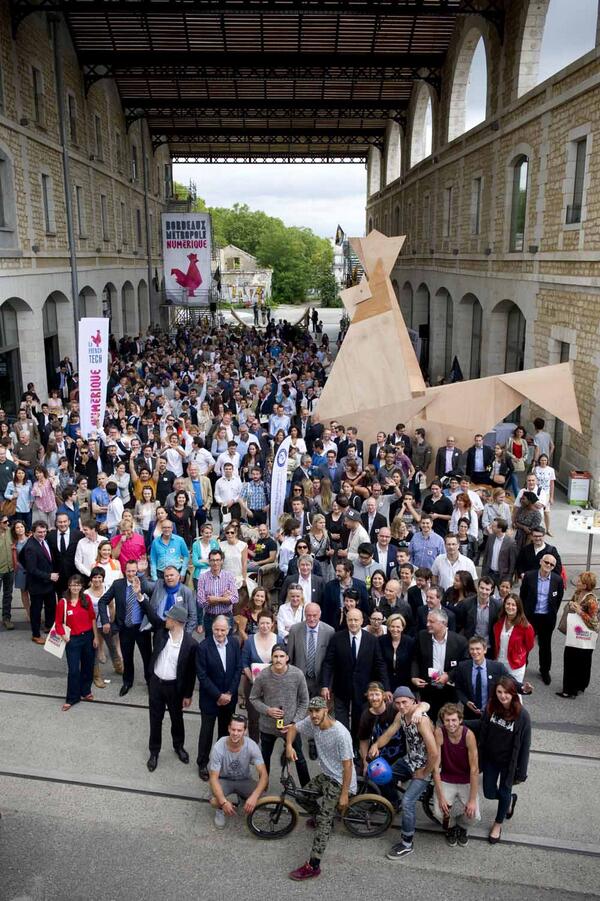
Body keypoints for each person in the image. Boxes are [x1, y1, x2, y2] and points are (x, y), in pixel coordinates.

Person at [285, 696, 357, 882]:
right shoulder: (312, 722)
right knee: (301, 796)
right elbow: (293, 728)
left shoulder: (340, 734)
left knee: (324, 822)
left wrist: (344, 795)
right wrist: (289, 746)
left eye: (317, 711)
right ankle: (323, 818)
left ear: (326, 710)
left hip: (340, 780)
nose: (314, 715)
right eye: (311, 711)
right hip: (326, 775)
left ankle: (313, 866)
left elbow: (348, 767)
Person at [370, 686, 439, 860]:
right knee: (381, 776)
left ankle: (407, 844)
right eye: (398, 703)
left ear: (413, 701)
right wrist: (376, 745)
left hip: (426, 765)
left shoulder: (421, 720)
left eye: (405, 702)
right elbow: (388, 734)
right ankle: (394, 802)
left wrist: (424, 772)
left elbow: (434, 753)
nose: (401, 706)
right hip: (410, 760)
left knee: (408, 801)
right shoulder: (400, 716)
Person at [140, 601, 197, 772]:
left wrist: (188, 695)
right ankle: (154, 752)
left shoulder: (191, 644)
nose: (166, 619)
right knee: (155, 720)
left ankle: (178, 746)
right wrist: (141, 598)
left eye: (169, 617)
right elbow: (152, 616)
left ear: (177, 621)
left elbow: (191, 672)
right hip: (156, 684)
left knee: (177, 719)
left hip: (175, 688)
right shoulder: (161, 632)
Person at [321, 608, 388, 740]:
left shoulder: (371, 640)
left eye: (356, 620)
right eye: (350, 620)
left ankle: (357, 746)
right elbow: (328, 663)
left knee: (360, 721)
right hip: (341, 688)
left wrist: (386, 687)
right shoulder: (337, 638)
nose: (353, 623)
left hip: (363, 689)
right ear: (346, 620)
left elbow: (380, 664)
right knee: (341, 724)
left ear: (362, 621)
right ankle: (344, 745)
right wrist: (325, 685)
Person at [478, 677, 531, 843]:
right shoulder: (491, 707)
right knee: (489, 792)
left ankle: (497, 824)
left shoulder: (522, 715)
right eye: (499, 692)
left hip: (509, 763)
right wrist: (459, 723)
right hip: (491, 758)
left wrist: (522, 772)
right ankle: (509, 800)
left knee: (504, 791)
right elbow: (481, 727)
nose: (503, 696)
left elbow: (525, 746)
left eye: (506, 692)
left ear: (513, 693)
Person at [249, 643, 310, 786]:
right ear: (271, 658)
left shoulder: (297, 674)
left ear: (287, 658)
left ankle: (307, 788)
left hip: (290, 727)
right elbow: (253, 698)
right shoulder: (263, 675)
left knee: (299, 758)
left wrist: (295, 722)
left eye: (282, 656)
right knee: (264, 758)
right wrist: (267, 710)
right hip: (268, 727)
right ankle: (263, 786)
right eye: (275, 656)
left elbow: (304, 701)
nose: (278, 659)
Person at [196, 615, 243, 781]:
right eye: (216, 629)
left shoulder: (234, 644)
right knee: (206, 732)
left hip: (229, 699)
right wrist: (218, 695)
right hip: (210, 699)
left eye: (223, 630)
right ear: (212, 629)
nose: (220, 633)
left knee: (224, 732)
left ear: (228, 630)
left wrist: (229, 693)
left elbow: (238, 668)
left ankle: (220, 761)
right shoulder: (203, 647)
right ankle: (202, 763)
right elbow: (202, 676)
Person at [98, 560, 153, 696]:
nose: (131, 574)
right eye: (128, 571)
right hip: (125, 628)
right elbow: (102, 601)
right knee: (127, 657)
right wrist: (105, 621)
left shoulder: (143, 583)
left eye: (134, 571)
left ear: (137, 571)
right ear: (124, 570)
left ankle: (150, 682)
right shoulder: (118, 585)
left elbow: (151, 594)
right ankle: (127, 682)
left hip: (141, 628)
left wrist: (142, 575)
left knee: (147, 657)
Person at [208, 714, 269, 829]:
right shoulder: (219, 747)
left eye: (239, 730)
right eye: (233, 729)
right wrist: (223, 802)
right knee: (215, 801)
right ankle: (220, 810)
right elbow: (213, 778)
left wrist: (254, 796)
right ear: (228, 728)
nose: (235, 733)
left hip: (244, 780)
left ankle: (243, 797)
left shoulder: (252, 746)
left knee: (263, 799)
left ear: (245, 731)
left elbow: (264, 775)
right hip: (224, 780)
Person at [453, 635, 531, 723]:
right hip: (470, 714)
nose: (474, 652)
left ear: (485, 650)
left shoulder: (497, 667)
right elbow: (458, 688)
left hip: (493, 713)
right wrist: (466, 702)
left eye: (478, 649)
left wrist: (523, 688)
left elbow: (510, 681)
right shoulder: (463, 667)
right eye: (472, 649)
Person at [432, 703, 480, 846]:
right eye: (447, 720)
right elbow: (436, 768)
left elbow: (474, 770)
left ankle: (462, 826)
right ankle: (452, 827)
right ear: (443, 720)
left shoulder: (468, 735)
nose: (450, 724)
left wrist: (472, 800)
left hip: (465, 779)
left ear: (460, 720)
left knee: (474, 815)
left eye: (454, 720)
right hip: (446, 777)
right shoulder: (439, 733)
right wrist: (441, 797)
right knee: (439, 813)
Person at [411, 608, 469, 722]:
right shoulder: (422, 636)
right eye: (427, 621)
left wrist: (449, 675)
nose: (427, 624)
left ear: (443, 623)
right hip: (428, 688)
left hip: (449, 689)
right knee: (428, 720)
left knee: (448, 722)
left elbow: (464, 664)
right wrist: (414, 676)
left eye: (431, 621)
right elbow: (415, 659)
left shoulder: (460, 641)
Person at [54, 573, 99, 712]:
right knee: (73, 670)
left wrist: (96, 637)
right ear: (69, 586)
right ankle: (72, 698)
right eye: (73, 585)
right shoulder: (63, 603)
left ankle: (85, 691)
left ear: (81, 586)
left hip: (88, 637)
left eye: (78, 585)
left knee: (88, 666)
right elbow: (58, 623)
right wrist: (63, 635)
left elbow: (92, 618)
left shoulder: (86, 599)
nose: (75, 587)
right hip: (72, 640)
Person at [520, 554, 563, 685]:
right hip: (530, 617)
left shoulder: (557, 580)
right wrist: (523, 615)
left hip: (546, 619)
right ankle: (522, 667)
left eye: (551, 564)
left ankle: (544, 671)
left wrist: (552, 614)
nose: (548, 565)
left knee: (545, 647)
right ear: (541, 561)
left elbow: (558, 599)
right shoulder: (529, 576)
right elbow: (522, 596)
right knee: (525, 644)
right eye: (546, 562)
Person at [556, 571, 599, 699]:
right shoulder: (577, 593)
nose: (577, 582)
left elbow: (595, 623)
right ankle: (575, 687)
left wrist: (580, 612)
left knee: (579, 662)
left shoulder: (591, 600)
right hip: (575, 634)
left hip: (584, 636)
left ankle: (571, 690)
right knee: (573, 660)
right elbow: (571, 604)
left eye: (580, 581)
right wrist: (571, 604)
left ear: (585, 585)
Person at [241, 610, 278, 741]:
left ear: (272, 624)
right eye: (262, 623)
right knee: (253, 718)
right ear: (258, 623)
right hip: (253, 686)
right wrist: (252, 679)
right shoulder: (250, 640)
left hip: (273, 687)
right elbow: (244, 663)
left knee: (271, 717)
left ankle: (267, 745)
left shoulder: (278, 640)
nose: (265, 626)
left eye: (268, 623)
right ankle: (254, 744)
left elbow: (283, 661)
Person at [21, 520, 59, 644]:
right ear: (33, 532)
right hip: (37, 585)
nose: (42, 534)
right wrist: (49, 576)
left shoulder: (44, 541)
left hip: (48, 584)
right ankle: (36, 635)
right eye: (39, 532)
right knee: (36, 611)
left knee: (51, 606)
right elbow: (31, 569)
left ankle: (48, 626)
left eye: (44, 531)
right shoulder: (31, 547)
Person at [287, 602, 335, 699]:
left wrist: (328, 685)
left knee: (318, 708)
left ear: (320, 615)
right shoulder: (295, 630)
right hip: (299, 680)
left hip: (320, 681)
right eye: (308, 615)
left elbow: (331, 661)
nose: (311, 619)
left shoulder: (329, 631)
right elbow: (289, 657)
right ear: (304, 614)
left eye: (314, 615)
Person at [492, 594, 536, 682]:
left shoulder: (526, 626)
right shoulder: (499, 622)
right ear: (504, 605)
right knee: (499, 688)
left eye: (513, 605)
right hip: (499, 662)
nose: (510, 607)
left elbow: (529, 646)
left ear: (518, 607)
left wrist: (519, 654)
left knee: (514, 688)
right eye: (508, 604)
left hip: (515, 665)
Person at [143, 565, 197, 634]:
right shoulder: (159, 585)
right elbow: (145, 587)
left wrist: (186, 634)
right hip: (159, 627)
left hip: (177, 629)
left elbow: (193, 615)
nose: (169, 578)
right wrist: (141, 573)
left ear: (178, 576)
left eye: (171, 575)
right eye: (166, 576)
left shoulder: (186, 591)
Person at [196, 548, 239, 635]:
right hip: (210, 618)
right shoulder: (202, 578)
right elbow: (200, 602)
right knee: (209, 642)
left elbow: (235, 598)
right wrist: (224, 598)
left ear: (222, 561)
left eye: (218, 560)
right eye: (212, 560)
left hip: (226, 616)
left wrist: (215, 599)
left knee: (228, 641)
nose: (215, 563)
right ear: (209, 561)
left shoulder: (229, 576)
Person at [378, 613, 415, 692]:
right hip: (385, 682)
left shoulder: (410, 642)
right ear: (388, 627)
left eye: (398, 627)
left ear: (402, 627)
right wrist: (386, 687)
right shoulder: (381, 641)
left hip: (405, 683)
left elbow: (412, 663)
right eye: (392, 626)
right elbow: (381, 665)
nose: (395, 629)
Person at [481, 518, 517, 585]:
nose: (491, 527)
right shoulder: (490, 538)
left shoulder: (511, 542)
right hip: (489, 573)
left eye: (494, 526)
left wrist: (509, 577)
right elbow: (486, 556)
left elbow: (512, 562)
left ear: (500, 529)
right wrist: (483, 573)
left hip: (502, 576)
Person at [0, 513, 14, 629]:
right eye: (5, 522)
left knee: (8, 595)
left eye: (7, 521)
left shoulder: (10, 531)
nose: (7, 523)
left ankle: (6, 618)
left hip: (10, 569)